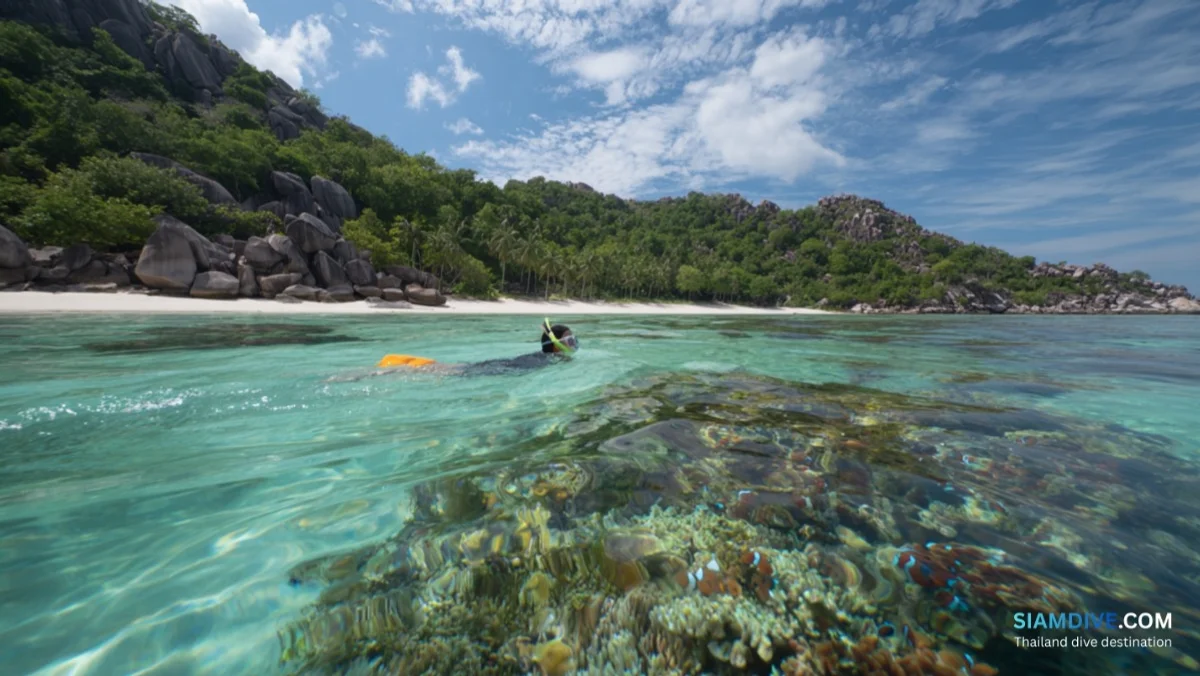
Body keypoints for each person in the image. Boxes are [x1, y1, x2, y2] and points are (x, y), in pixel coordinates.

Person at [335, 319, 578, 382]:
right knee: (445, 372)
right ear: (556, 347)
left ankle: (386, 370)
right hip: (495, 370)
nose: (573, 347)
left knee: (447, 370)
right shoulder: (549, 363)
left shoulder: (541, 358)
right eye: (570, 341)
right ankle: (373, 373)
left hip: (498, 367)